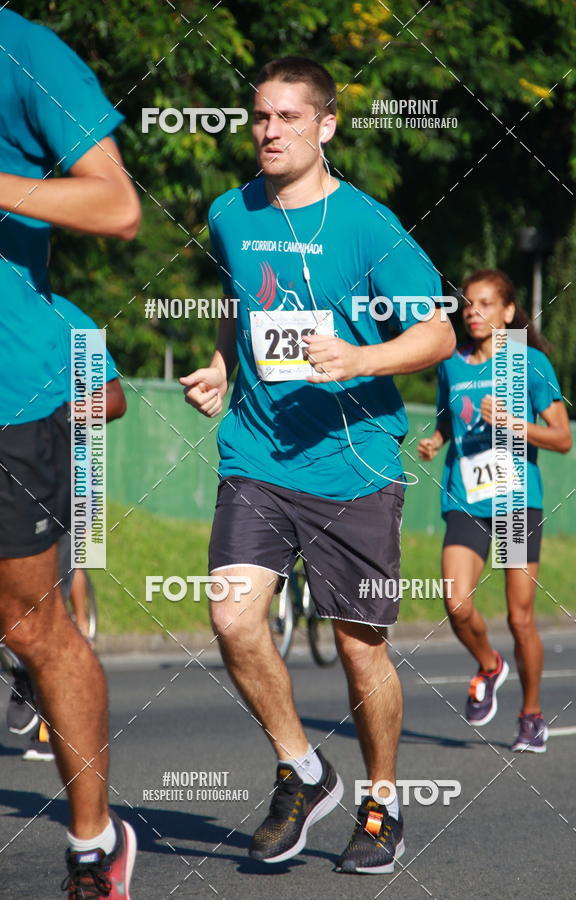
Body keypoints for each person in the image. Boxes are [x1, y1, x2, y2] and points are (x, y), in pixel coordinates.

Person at [181, 56, 455, 874]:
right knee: (233, 618)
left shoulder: (369, 228)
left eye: (288, 118)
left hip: (353, 466)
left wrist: (363, 360)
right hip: (258, 454)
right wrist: (225, 366)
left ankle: (382, 802)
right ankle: (303, 769)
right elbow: (242, 300)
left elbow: (437, 334)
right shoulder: (231, 211)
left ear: (326, 126)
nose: (269, 132)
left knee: (360, 644)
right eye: (260, 117)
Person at [0, 10, 139, 897]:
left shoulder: (26, 52)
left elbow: (118, 205)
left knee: (29, 624)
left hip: (10, 393)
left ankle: (95, 842)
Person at [418, 268, 572, 753]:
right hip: (465, 495)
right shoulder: (452, 363)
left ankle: (531, 713)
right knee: (456, 601)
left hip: (514, 500)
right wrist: (436, 439)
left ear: (508, 313)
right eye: (467, 304)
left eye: (485, 304)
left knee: (520, 618)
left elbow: (564, 438)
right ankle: (489, 665)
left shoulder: (527, 363)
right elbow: (448, 415)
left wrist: (514, 425)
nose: (472, 312)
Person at [6, 293, 126, 762]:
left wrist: (56, 418)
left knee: (58, 583)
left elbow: (114, 398)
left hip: (70, 476)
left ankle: (40, 692)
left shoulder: (67, 319)